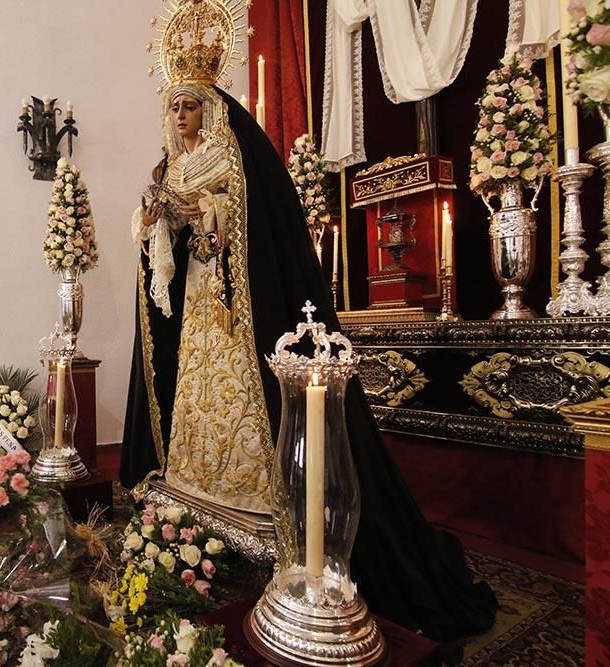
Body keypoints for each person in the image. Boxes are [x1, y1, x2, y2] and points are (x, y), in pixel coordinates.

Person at [119, 10, 497, 650]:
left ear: (210, 105)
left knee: (243, 408)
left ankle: (268, 518)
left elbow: (249, 227)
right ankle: (197, 501)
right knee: (196, 412)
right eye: (175, 106)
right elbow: (168, 249)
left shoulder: (234, 155)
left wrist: (204, 218)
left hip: (238, 315)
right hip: (198, 322)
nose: (181, 116)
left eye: (191, 105)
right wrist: (158, 217)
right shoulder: (171, 165)